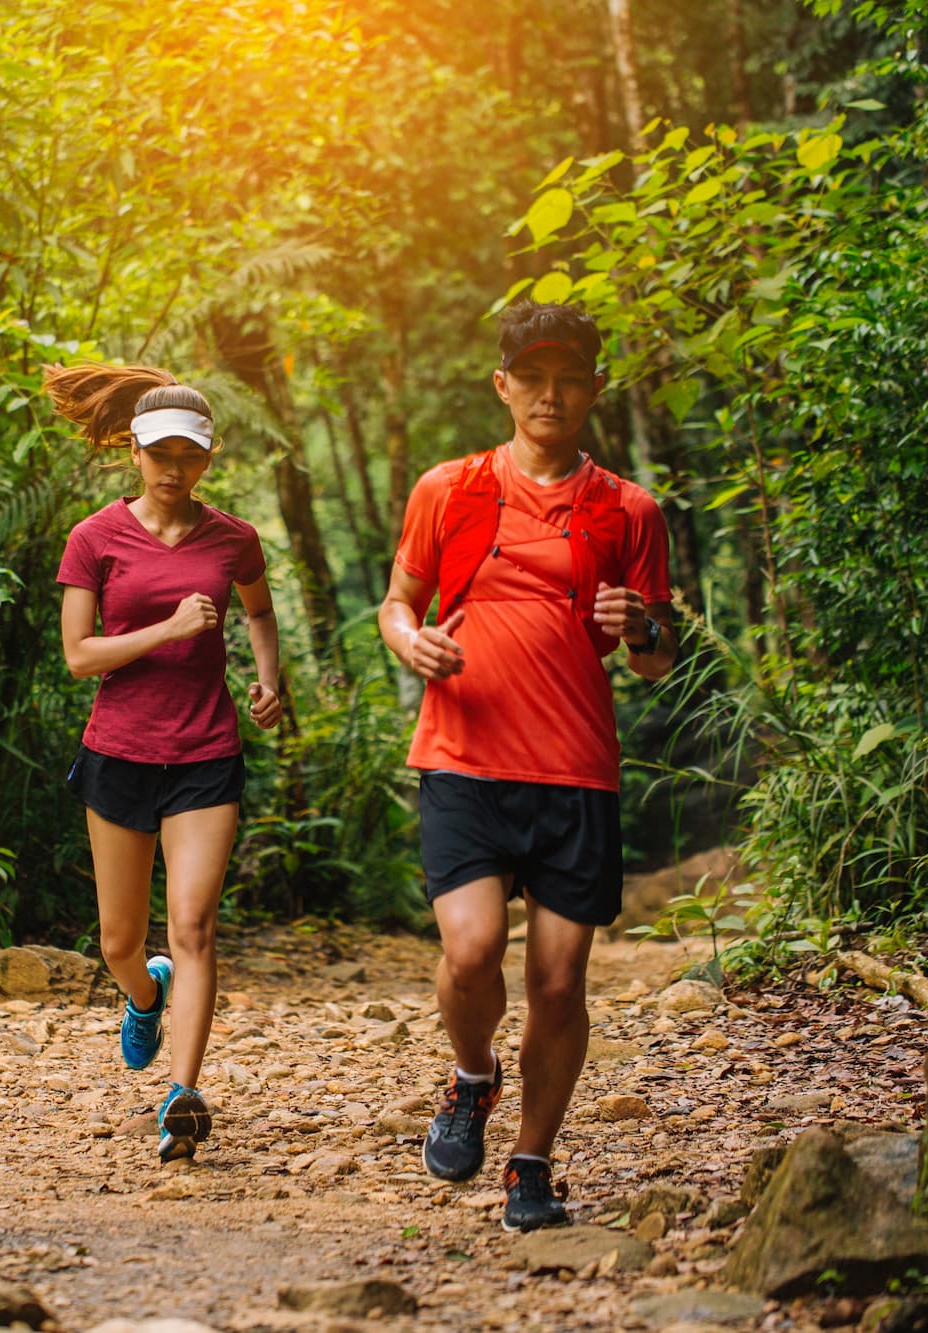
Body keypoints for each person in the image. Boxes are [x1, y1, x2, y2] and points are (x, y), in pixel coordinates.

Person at [377, 301, 677, 1232]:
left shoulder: (629, 509)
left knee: (557, 983)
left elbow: (656, 655)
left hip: (577, 771)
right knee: (468, 951)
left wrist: (645, 627)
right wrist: (412, 644)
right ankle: (473, 1078)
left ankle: (531, 1165)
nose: (551, 394)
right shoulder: (450, 488)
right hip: (464, 757)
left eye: (570, 378)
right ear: (502, 386)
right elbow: (398, 600)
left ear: (592, 389)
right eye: (533, 378)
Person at [46, 362, 283, 1164]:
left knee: (194, 925)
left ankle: (182, 1094)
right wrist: (169, 630)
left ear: (208, 457)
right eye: (160, 454)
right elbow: (79, 656)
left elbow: (259, 606)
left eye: (189, 455)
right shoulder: (94, 538)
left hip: (206, 752)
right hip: (119, 751)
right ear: (135, 452)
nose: (174, 469)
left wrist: (268, 676)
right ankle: (144, 996)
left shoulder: (233, 538)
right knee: (120, 943)